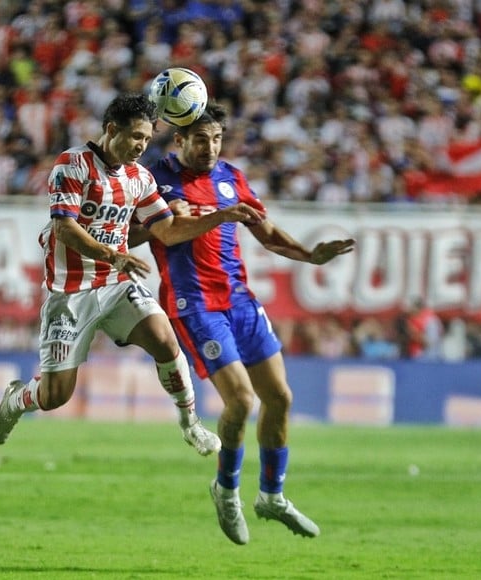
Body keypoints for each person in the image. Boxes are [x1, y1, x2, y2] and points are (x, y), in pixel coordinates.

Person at [0, 93, 264, 458]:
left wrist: (219, 216)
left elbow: (164, 230)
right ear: (110, 129)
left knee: (165, 340)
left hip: (116, 285)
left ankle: (191, 425)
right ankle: (17, 399)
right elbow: (65, 229)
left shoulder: (140, 178)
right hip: (70, 293)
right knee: (55, 396)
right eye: (136, 136)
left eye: (147, 139)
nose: (141, 146)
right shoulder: (73, 164)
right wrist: (113, 255)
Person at [130, 102, 354, 544]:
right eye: (200, 139)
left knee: (281, 398)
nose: (209, 148)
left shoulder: (230, 176)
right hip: (194, 306)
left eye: (215, 139)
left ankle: (271, 495)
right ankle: (227, 489)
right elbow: (161, 232)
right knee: (240, 402)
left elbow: (264, 230)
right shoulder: (156, 179)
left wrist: (310, 254)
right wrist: (212, 216)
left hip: (240, 301)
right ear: (179, 140)